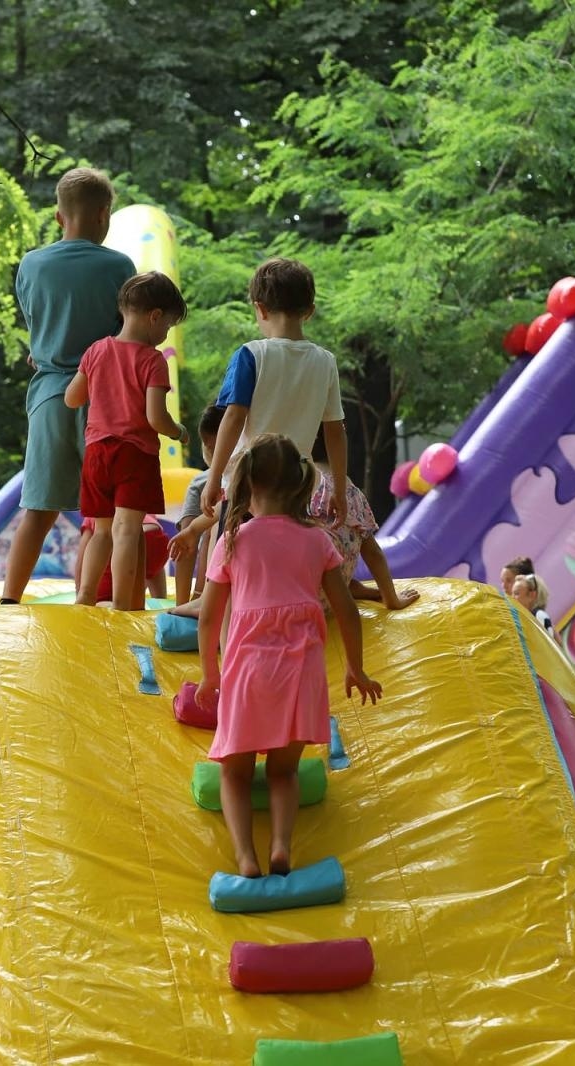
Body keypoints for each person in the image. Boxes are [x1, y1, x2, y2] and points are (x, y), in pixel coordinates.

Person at [195, 434, 383, 878]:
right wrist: (356, 668)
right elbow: (347, 610)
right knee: (283, 773)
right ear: (297, 483)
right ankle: (281, 847)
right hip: (301, 670)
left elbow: (208, 618)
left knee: (235, 774)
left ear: (247, 483)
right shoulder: (316, 540)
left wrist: (208, 674)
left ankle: (246, 857)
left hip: (249, 669)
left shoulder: (234, 540)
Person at [0, 167, 136, 605]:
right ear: (104, 214)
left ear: (59, 216)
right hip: (106, 400)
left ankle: (9, 600)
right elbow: (127, 331)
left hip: (50, 396)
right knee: (111, 514)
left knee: (39, 509)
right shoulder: (119, 266)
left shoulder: (32, 265)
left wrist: (47, 351)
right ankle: (108, 603)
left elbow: (40, 328)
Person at [65, 271, 189, 608]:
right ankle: (122, 605)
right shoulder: (152, 361)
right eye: (167, 327)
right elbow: (155, 418)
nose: (164, 335)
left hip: (97, 453)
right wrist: (179, 431)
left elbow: (72, 399)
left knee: (101, 531)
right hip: (134, 455)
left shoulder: (96, 351)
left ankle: (85, 596)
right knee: (127, 531)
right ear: (154, 317)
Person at [201, 258, 347, 532]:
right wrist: (338, 490)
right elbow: (335, 431)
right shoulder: (325, 361)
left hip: (251, 478)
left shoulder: (251, 355)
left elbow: (233, 418)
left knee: (231, 558)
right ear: (310, 311)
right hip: (298, 481)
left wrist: (214, 477)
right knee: (287, 556)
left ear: (261, 308)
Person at [310, 428, 417, 611]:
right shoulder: (349, 491)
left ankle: (352, 587)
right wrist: (391, 598)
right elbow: (372, 552)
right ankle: (354, 588)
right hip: (335, 592)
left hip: (302, 600)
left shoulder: (298, 485)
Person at [169, 405, 227, 606]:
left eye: (214, 447)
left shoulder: (242, 476)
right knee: (190, 537)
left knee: (211, 530)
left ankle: (201, 597)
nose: (210, 450)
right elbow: (184, 542)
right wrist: (180, 603)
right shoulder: (200, 484)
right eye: (207, 446)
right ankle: (190, 601)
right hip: (208, 483)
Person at [512, 573, 555, 637]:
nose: (512, 598)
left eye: (516, 594)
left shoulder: (538, 615)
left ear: (532, 595)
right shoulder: (532, 617)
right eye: (512, 594)